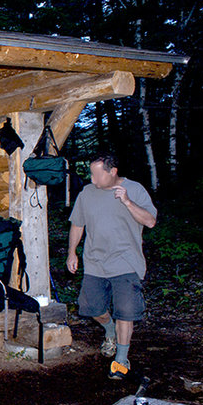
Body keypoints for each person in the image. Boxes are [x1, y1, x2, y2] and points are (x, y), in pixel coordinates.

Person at [67, 153, 157, 380]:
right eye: (91, 174)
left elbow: (150, 221)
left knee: (125, 312)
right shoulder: (87, 193)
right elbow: (78, 224)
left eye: (97, 174)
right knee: (90, 306)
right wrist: (71, 252)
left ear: (113, 171)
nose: (93, 179)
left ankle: (121, 358)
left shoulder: (134, 190)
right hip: (95, 261)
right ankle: (110, 330)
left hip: (126, 261)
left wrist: (127, 202)